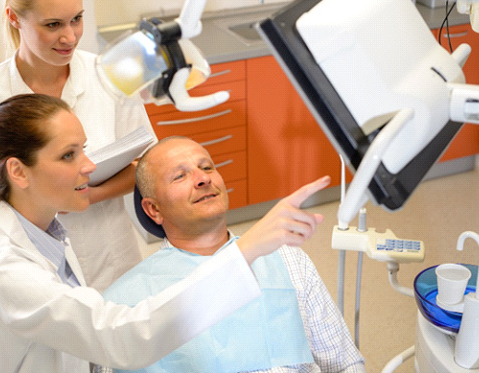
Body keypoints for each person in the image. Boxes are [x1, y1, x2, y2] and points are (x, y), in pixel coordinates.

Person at [0, 94, 332, 372]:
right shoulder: (6, 268)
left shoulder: (43, 229)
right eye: (68, 155)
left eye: (83, 149)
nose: (89, 166)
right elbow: (124, 338)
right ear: (18, 172)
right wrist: (247, 248)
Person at [96, 136, 365, 373]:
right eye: (180, 176)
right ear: (153, 209)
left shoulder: (287, 259)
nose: (203, 179)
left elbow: (344, 363)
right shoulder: (122, 303)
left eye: (207, 167)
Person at [0, 0, 155, 292]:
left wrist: (90, 195)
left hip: (112, 254)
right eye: (52, 25)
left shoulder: (109, 76)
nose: (69, 37)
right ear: (13, 17)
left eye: (76, 19)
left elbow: (146, 165)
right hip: (31, 269)